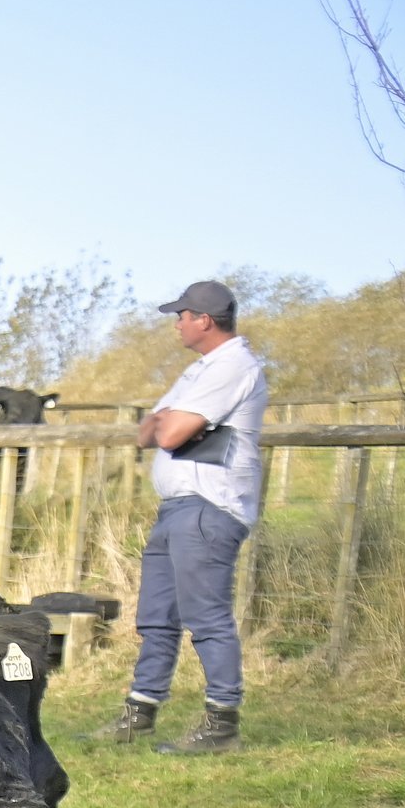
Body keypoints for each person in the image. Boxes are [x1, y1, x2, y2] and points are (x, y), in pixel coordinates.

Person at [97, 279, 267, 756]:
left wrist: (169, 421)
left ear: (204, 320)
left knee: (206, 617)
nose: (176, 324)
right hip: (177, 507)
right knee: (156, 617)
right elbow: (145, 431)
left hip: (207, 507)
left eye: (181, 315)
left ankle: (221, 723)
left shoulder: (234, 366)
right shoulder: (200, 370)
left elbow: (168, 433)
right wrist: (168, 420)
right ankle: (140, 712)